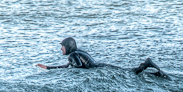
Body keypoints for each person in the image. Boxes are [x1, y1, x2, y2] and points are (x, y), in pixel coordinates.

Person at [36, 37, 169, 78]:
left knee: (130, 72)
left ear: (68, 47)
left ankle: (146, 64)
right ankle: (154, 73)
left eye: (62, 46)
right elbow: (71, 65)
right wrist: (48, 67)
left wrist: (52, 70)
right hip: (101, 65)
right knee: (130, 71)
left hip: (100, 68)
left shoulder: (72, 55)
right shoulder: (77, 52)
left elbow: (78, 68)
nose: (61, 49)